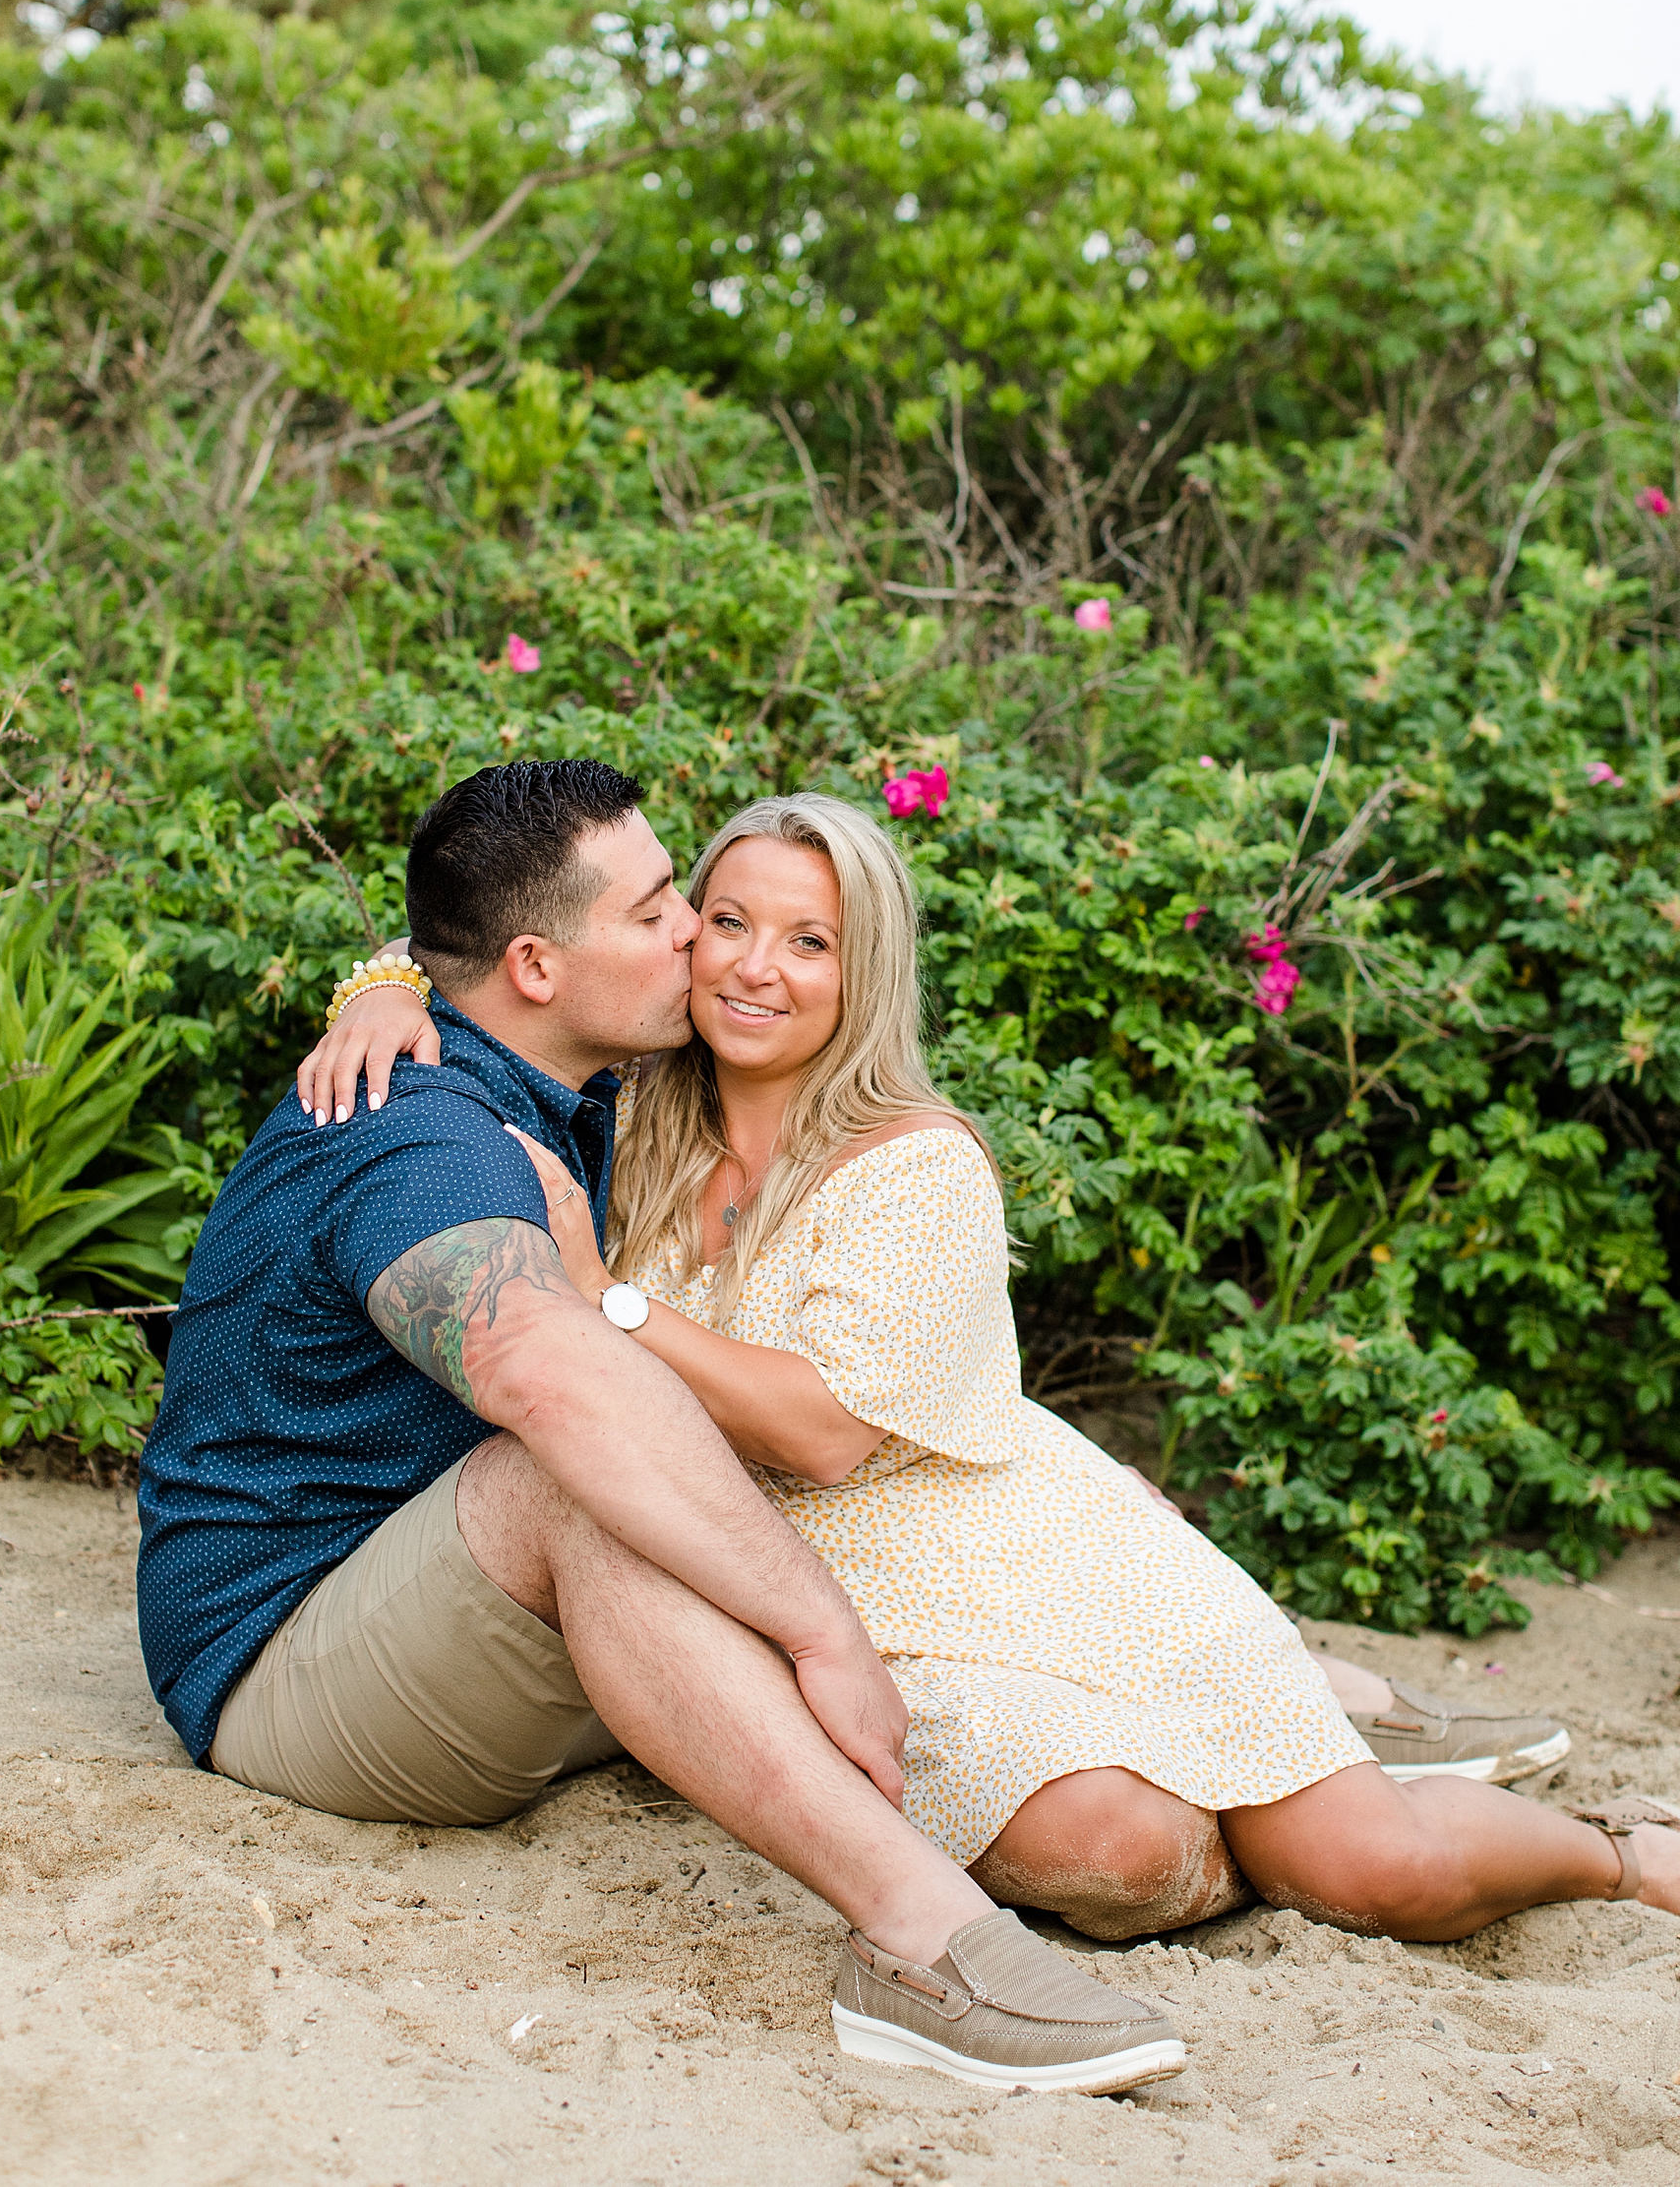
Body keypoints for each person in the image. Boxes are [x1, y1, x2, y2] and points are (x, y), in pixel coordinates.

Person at [310, 787, 1680, 1944]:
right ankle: (1331, 1736)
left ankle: (1612, 1852)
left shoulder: (916, 1163)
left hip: (1038, 1582)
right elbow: (523, 946)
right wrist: (383, 983)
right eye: (725, 921)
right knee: (1124, 1856)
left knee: (1385, 1877)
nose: (749, 966)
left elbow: (827, 1434)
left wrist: (609, 1304)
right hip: (851, 1621)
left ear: (867, 975)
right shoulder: (634, 1107)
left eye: (809, 942)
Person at [140, 758, 1190, 2099]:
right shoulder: (422, 1133)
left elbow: (448, 938)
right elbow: (550, 1374)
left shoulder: (566, 1072)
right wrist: (822, 1632)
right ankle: (926, 1948)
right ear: (535, 966)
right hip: (278, 1662)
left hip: (454, 1614)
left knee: (1052, 1752)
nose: (695, 934)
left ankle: (1279, 1692)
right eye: (656, 913)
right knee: (578, 1474)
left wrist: (382, 975)